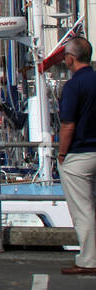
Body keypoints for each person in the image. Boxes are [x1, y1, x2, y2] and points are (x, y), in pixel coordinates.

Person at [58, 36, 96, 275]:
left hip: (80, 153)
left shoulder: (73, 86)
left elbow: (68, 125)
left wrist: (62, 153)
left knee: (84, 210)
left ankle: (89, 260)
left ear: (71, 59)